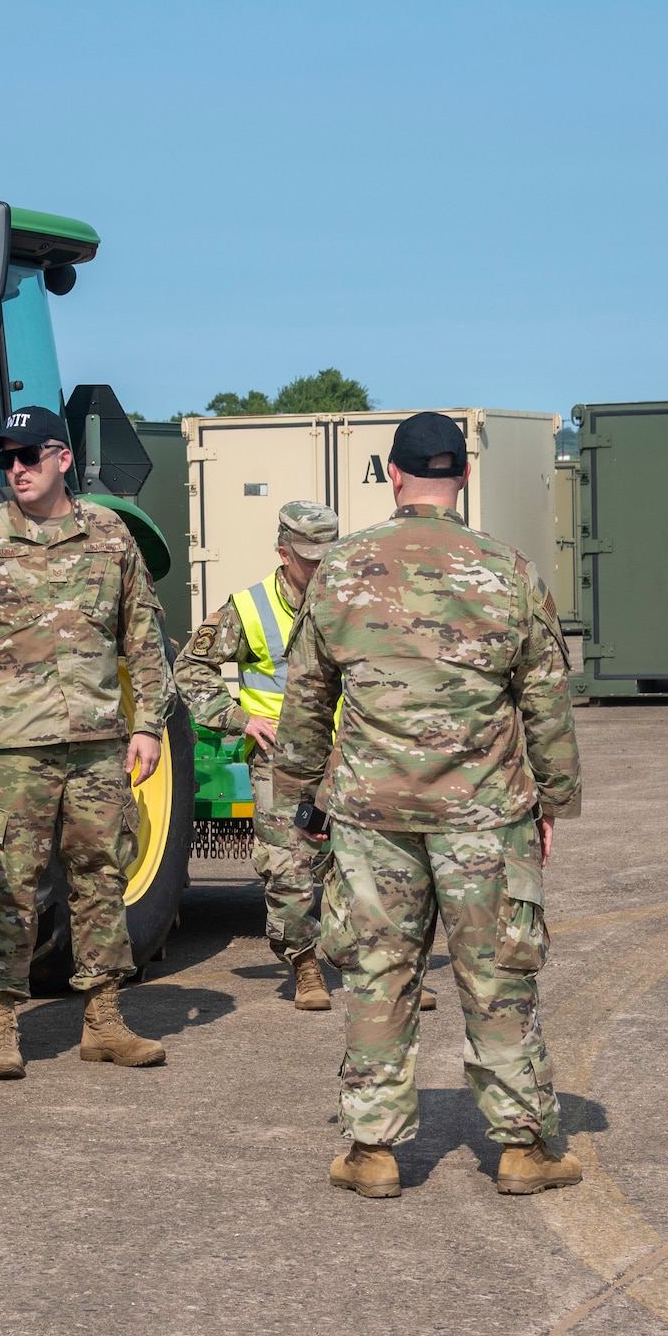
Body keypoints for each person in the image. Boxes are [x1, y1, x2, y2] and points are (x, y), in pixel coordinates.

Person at [273, 412, 583, 1200]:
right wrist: (552, 799)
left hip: (373, 818)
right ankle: (521, 1147)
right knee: (498, 975)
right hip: (484, 816)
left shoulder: (342, 569)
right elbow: (546, 699)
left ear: (392, 471)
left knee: (378, 972)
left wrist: (298, 790)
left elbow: (307, 696)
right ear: (465, 477)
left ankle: (372, 1149)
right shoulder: (509, 569)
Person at [0, 405, 173, 1080]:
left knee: (101, 875)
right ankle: (1, 1024)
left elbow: (143, 635)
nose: (16, 469)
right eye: (6, 458)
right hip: (10, 748)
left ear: (62, 458)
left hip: (96, 741)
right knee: (7, 885)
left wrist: (148, 722)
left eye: (29, 456)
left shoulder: (110, 536)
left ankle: (104, 1019)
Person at [174, 502, 345, 1010]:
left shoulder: (353, 601)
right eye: (308, 558)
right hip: (283, 760)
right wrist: (237, 718)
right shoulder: (249, 608)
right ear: (282, 552)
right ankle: (305, 964)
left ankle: (382, 967)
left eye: (328, 556)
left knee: (366, 864)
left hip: (352, 755)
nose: (319, 567)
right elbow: (189, 668)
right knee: (288, 866)